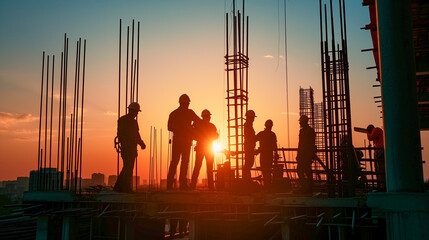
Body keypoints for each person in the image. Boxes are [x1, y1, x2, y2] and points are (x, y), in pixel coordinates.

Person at [167, 94, 201, 190]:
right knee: (180, 162)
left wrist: (191, 127)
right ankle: (179, 184)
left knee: (179, 162)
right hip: (182, 140)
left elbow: (198, 121)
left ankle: (173, 185)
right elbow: (169, 127)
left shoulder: (174, 113)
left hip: (181, 141)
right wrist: (189, 128)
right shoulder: (187, 113)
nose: (186, 106)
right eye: (186, 104)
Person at [113, 102, 146, 193]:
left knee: (128, 168)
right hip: (128, 148)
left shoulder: (125, 120)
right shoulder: (127, 121)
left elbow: (136, 135)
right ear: (131, 111)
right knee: (128, 168)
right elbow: (126, 135)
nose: (136, 114)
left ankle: (119, 187)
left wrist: (141, 143)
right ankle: (123, 188)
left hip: (129, 148)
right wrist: (140, 143)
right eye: (136, 112)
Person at [190, 109, 219, 190]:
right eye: (207, 116)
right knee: (204, 168)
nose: (208, 117)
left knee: (199, 168)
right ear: (204, 117)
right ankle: (210, 187)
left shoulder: (200, 125)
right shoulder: (210, 126)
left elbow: (193, 133)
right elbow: (216, 136)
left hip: (205, 149)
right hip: (206, 149)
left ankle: (193, 186)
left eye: (208, 116)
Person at [296, 115, 316, 194]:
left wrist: (300, 154)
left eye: (301, 122)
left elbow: (303, 144)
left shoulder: (307, 131)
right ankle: (307, 188)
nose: (300, 123)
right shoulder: (308, 131)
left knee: (303, 170)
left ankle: (306, 188)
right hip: (305, 154)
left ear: (303, 122)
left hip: (305, 154)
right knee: (305, 171)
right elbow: (301, 144)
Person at [256, 119, 278, 190]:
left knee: (265, 172)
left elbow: (254, 139)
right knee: (267, 172)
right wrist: (276, 153)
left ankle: (266, 187)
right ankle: (268, 187)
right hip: (269, 156)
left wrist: (256, 150)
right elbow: (275, 146)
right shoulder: (272, 134)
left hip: (264, 156)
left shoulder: (262, 134)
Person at [367, 124, 385, 189]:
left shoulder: (376, 129)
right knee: (379, 169)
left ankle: (382, 185)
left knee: (380, 168)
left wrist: (368, 133)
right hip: (380, 151)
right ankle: (381, 184)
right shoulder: (378, 131)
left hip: (380, 151)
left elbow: (370, 138)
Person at [243, 110, 257, 182]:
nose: (253, 119)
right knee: (248, 164)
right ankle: (246, 180)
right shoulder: (247, 125)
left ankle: (247, 180)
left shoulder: (248, 125)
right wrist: (255, 138)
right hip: (249, 147)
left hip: (249, 146)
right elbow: (250, 137)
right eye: (253, 118)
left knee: (249, 164)